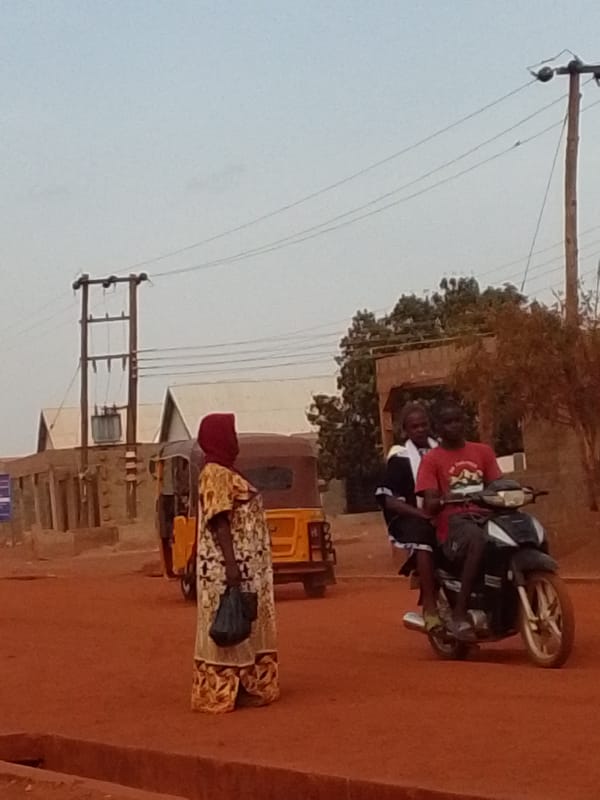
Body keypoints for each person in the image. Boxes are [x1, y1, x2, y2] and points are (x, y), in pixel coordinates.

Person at [191, 413, 279, 714]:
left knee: (244, 622)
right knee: (229, 622)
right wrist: (232, 566)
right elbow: (219, 521)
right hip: (227, 567)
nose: (236, 441)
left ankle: (246, 685)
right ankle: (223, 690)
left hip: (244, 566)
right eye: (232, 434)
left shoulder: (227, 472)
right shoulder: (215, 473)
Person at [416, 399, 502, 641]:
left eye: (457, 420)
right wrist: (442, 499)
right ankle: (459, 613)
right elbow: (429, 501)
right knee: (477, 539)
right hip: (453, 524)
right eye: (447, 422)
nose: (454, 426)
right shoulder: (431, 460)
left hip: (486, 516)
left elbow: (497, 485)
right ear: (437, 428)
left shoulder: (483, 452)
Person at [376, 403, 441, 632]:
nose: (420, 429)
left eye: (424, 424)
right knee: (424, 540)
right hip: (412, 516)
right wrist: (422, 514)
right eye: (415, 426)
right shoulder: (400, 458)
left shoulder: (443, 451)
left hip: (446, 510)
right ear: (406, 430)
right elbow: (389, 500)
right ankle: (430, 607)